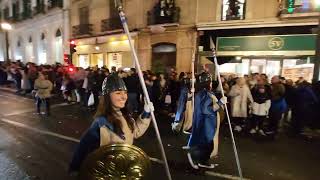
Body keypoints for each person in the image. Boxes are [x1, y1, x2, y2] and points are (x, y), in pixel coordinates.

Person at [69, 73, 153, 172]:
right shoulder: (101, 123)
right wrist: (76, 170)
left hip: (123, 170)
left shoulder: (124, 115)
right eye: (118, 93)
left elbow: (135, 132)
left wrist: (146, 113)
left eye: (125, 92)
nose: (124, 97)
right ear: (108, 97)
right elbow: (82, 151)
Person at [185, 72, 227, 169]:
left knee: (205, 145)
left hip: (203, 122)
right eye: (210, 81)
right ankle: (197, 160)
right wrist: (220, 103)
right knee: (207, 145)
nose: (211, 83)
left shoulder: (200, 93)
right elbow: (206, 109)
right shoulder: (205, 94)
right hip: (207, 123)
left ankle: (202, 161)